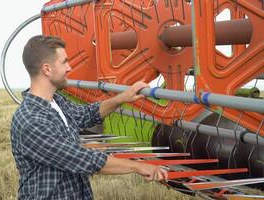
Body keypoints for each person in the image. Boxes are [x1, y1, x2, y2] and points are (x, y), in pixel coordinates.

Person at [10, 35, 168, 200]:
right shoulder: (31, 120)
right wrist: (139, 167)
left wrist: (123, 97)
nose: (70, 67)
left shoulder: (56, 101)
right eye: (64, 62)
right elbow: (80, 159)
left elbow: (87, 114)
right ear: (47, 69)